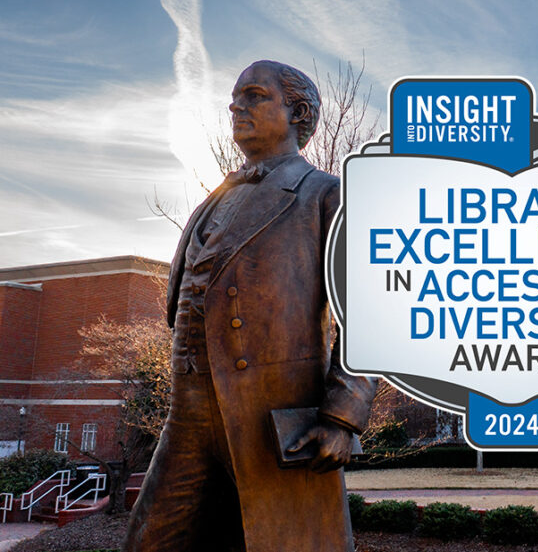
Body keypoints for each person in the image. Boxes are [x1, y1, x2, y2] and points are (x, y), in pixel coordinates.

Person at [124, 60, 376, 552]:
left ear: (298, 113)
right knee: (148, 541)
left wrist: (342, 417)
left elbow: (368, 310)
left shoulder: (326, 194)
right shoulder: (213, 199)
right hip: (188, 416)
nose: (236, 106)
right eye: (235, 98)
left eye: (254, 96)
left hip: (275, 419)